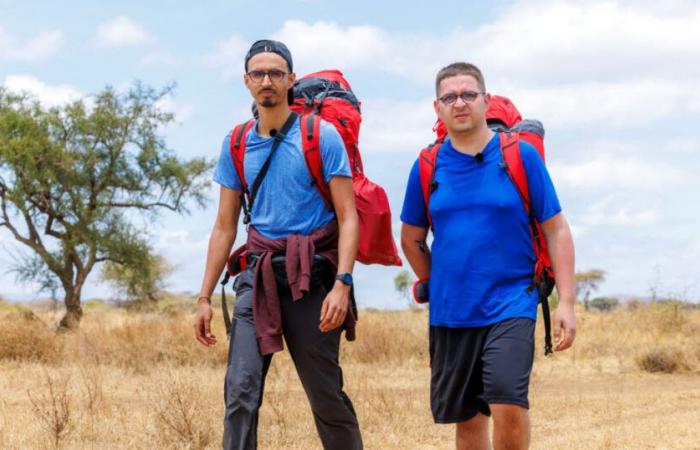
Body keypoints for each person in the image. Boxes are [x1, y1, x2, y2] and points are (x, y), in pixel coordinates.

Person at [193, 39, 363, 450]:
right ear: (246, 82)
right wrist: (202, 297)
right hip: (259, 275)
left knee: (326, 395)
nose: (266, 80)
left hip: (314, 280)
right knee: (240, 392)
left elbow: (348, 215)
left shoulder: (320, 137)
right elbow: (223, 226)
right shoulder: (236, 142)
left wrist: (342, 284)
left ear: (290, 79)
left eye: (275, 73)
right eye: (258, 73)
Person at [400, 62, 577, 450]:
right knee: (467, 420)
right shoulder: (427, 165)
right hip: (451, 312)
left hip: (512, 302)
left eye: (468, 94)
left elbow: (556, 228)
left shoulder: (520, 157)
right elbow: (411, 239)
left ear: (486, 100)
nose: (459, 103)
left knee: (506, 401)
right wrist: (438, 281)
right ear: (437, 107)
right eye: (450, 97)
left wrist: (566, 301)